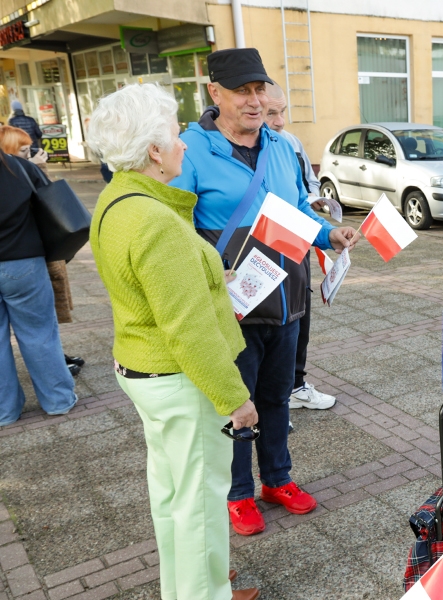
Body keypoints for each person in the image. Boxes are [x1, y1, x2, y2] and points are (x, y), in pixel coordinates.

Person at [170, 48, 357, 536]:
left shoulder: (278, 145)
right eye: (241, 92)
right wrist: (209, 269)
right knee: (236, 403)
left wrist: (326, 234)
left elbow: (298, 207)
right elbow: (177, 228)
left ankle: (277, 478)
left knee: (276, 396)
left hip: (286, 296)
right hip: (232, 305)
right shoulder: (192, 151)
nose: (254, 101)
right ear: (215, 93)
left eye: (259, 90)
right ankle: (237, 494)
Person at [87, 83, 260, 600]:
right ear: (154, 152)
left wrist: (209, 280)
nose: (186, 142)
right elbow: (188, 330)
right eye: (175, 133)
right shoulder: (155, 219)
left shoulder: (119, 197)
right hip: (178, 379)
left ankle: (190, 587)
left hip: (143, 370)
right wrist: (236, 399)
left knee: (172, 494)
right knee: (200, 503)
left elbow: (151, 288)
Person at [263, 83, 336, 411]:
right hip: (253, 256)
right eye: (271, 114)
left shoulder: (289, 144)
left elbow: (307, 183)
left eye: (283, 112)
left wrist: (316, 206)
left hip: (292, 245)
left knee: (298, 320)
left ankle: (293, 387)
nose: (280, 121)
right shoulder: (216, 150)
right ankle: (263, 399)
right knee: (260, 334)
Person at [0, 149, 77, 426]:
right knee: (39, 333)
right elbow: (51, 205)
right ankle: (58, 400)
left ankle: (4, 411)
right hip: (23, 262)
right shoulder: (19, 167)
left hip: (22, 261)